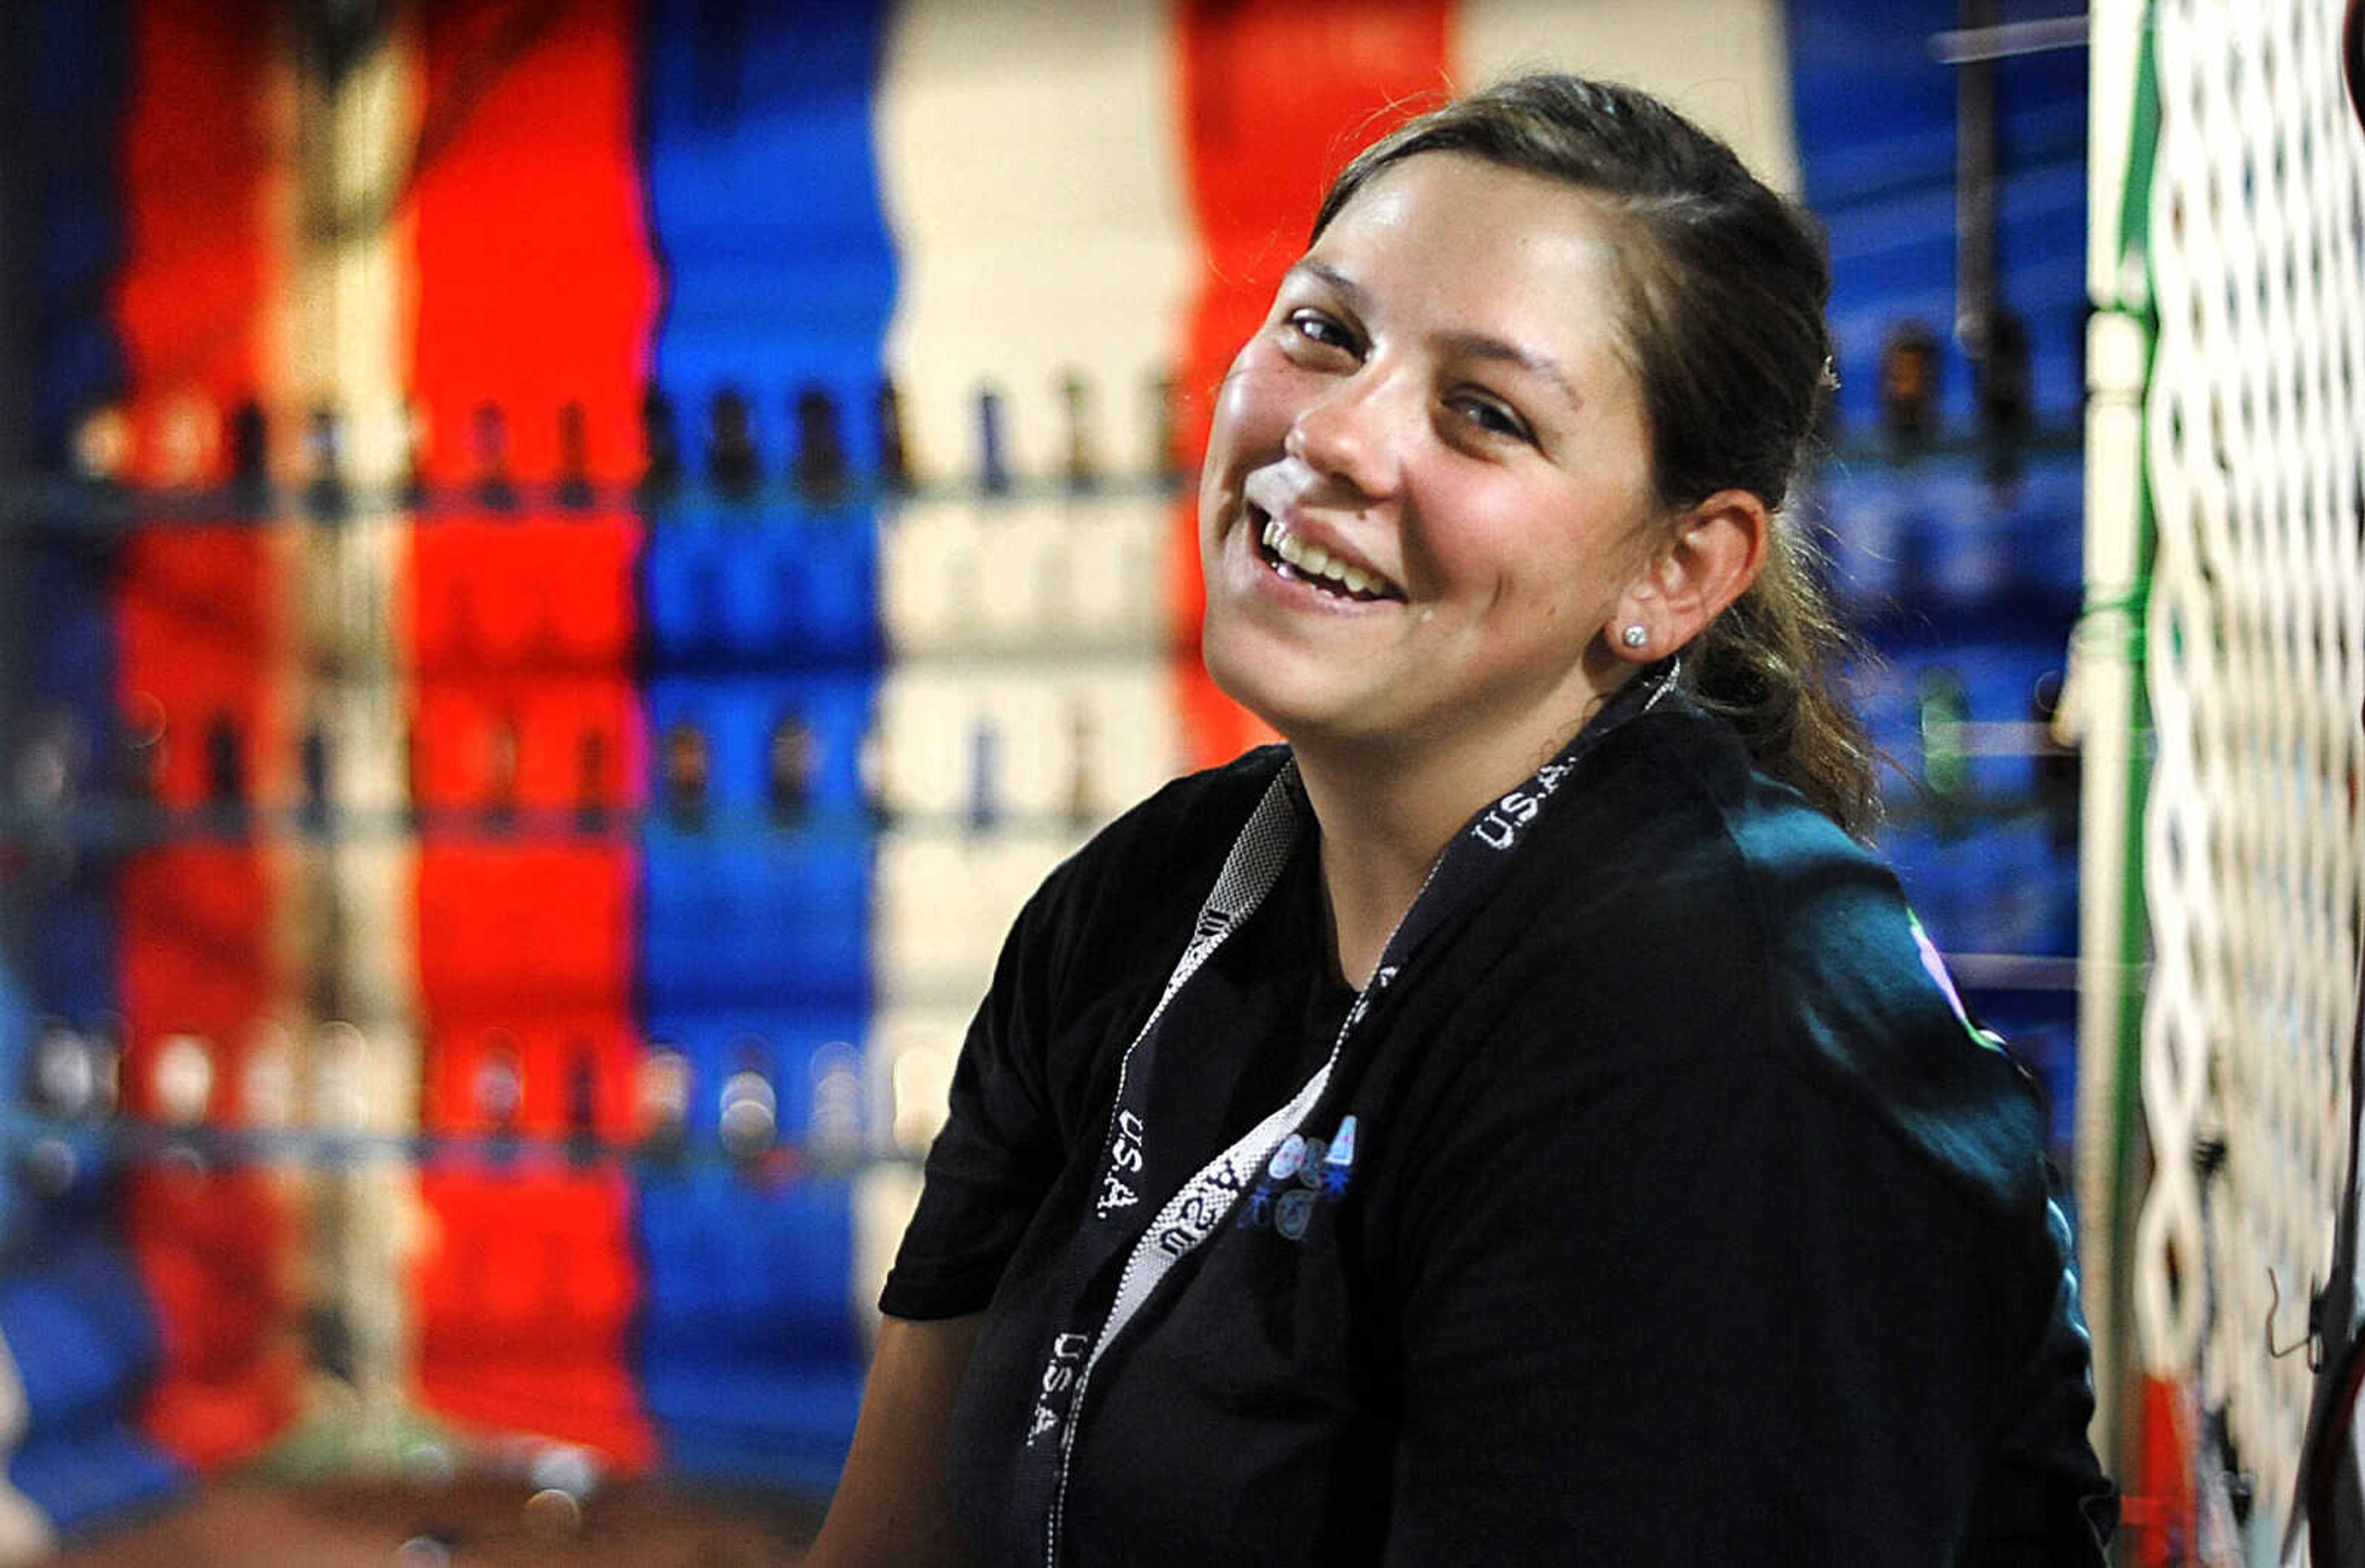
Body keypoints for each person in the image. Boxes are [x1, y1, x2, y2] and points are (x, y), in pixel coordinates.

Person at [807, 73, 2116, 1566]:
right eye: (1324, 330)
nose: (1342, 440)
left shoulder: (1719, 1038)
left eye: (1483, 413)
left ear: (1678, 573)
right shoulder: (1137, 901)